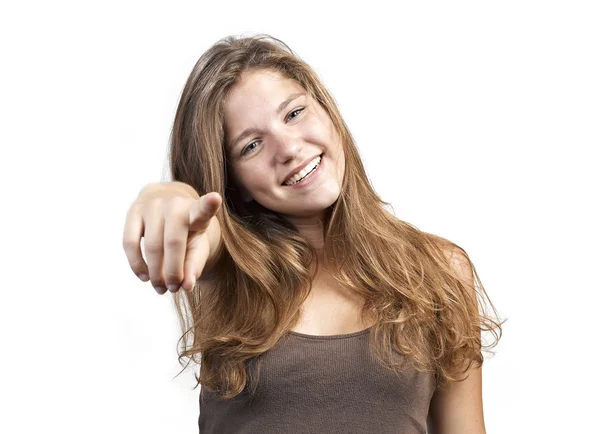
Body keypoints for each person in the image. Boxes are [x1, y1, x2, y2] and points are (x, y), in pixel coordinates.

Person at [122, 34, 503, 434]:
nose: (288, 147)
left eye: (293, 113)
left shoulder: (439, 270)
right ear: (233, 184)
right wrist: (170, 197)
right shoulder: (231, 267)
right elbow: (197, 224)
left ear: (326, 111)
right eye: (251, 145)